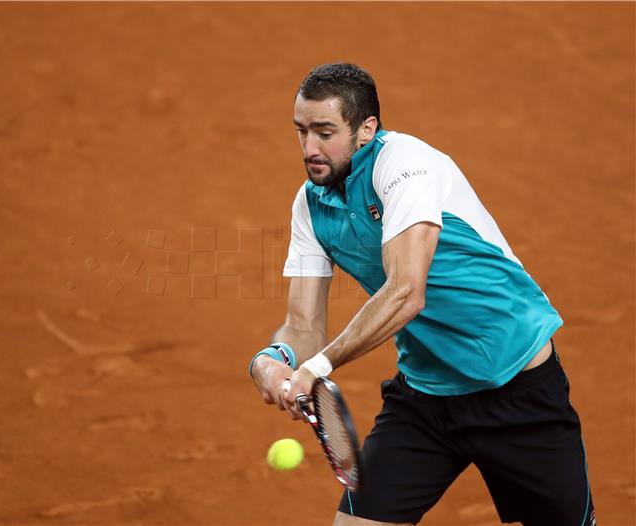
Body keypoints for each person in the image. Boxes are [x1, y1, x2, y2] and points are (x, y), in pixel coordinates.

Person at [248, 63, 595, 526]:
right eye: (301, 131)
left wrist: (316, 367)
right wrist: (273, 361)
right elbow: (304, 327)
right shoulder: (309, 206)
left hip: (516, 389)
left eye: (325, 132)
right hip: (426, 399)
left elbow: (407, 292)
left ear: (366, 129)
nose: (310, 148)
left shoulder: (407, 165)